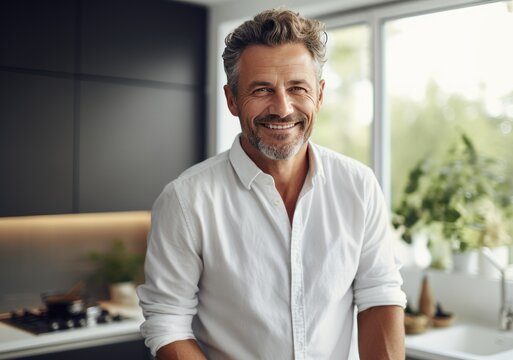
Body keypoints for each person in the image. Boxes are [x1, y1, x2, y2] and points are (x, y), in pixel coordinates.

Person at [137, 8, 407, 360]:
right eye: (262, 89)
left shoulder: (359, 186)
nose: (282, 108)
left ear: (320, 95)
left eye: (298, 88)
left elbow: (380, 294)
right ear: (232, 100)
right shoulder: (186, 200)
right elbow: (168, 322)